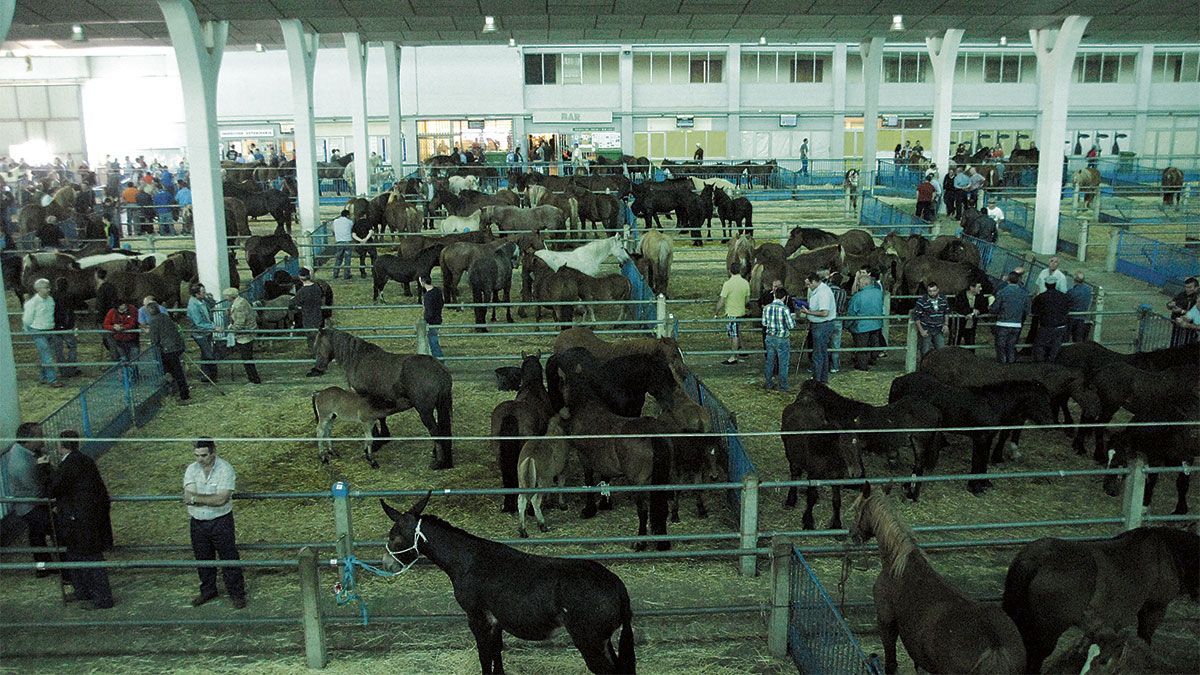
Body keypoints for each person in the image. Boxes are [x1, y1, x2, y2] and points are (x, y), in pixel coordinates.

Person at [37, 430, 115, 610]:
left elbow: (52, 489)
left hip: (78, 521)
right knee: (79, 555)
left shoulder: (69, 464)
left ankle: (101, 598)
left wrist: (44, 468)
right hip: (87, 518)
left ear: (61, 446)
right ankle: (84, 591)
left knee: (88, 558)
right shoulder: (84, 460)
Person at [184, 439, 247, 609]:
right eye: (197, 455)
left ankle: (237, 594)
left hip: (221, 520)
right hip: (197, 521)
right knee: (202, 558)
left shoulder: (225, 469)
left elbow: (221, 499)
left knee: (229, 557)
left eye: (204, 455)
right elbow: (187, 497)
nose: (200, 459)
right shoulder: (191, 469)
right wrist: (205, 499)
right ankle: (208, 590)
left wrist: (196, 499)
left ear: (213, 453)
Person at [2, 423, 55, 572]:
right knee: (55, 527)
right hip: (30, 505)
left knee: (36, 535)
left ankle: (43, 567)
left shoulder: (27, 452)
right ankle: (57, 566)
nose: (43, 439)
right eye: (39, 436)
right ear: (30, 439)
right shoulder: (23, 463)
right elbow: (36, 489)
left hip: (27, 504)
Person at [145, 301, 191, 405]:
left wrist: (154, 347)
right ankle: (182, 393)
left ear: (149, 311)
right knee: (177, 371)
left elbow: (154, 338)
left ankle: (183, 394)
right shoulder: (165, 317)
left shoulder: (153, 321)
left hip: (167, 349)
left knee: (173, 371)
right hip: (176, 346)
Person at [797, 273, 836, 383]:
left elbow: (824, 312)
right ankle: (822, 379)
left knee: (817, 354)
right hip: (819, 325)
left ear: (814, 281)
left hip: (822, 325)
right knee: (822, 352)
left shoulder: (823, 293)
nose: (807, 286)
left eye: (808, 284)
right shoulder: (818, 290)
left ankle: (816, 381)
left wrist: (808, 312)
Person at [23, 278, 61, 387]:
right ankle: (52, 380)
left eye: (49, 287)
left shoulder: (50, 300)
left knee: (45, 354)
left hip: (49, 329)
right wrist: (28, 329)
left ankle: (43, 377)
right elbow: (27, 318)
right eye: (46, 288)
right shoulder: (33, 303)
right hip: (37, 330)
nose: (49, 289)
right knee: (47, 354)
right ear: (38, 289)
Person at [845, 269, 884, 371]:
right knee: (874, 343)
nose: (858, 285)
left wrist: (847, 325)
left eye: (859, 283)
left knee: (862, 347)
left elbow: (851, 313)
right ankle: (872, 360)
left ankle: (862, 366)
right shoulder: (878, 293)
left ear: (865, 283)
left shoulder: (858, 296)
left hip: (862, 326)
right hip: (877, 324)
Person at [990, 270, 1030, 363]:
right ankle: (1011, 364)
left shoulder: (1002, 292)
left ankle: (1002, 364)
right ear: (1019, 280)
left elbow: (994, 309)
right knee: (1011, 346)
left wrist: (990, 307)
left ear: (1008, 280)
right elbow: (1027, 310)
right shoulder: (1024, 293)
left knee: (1000, 346)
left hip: (1003, 323)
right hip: (1016, 324)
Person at [714, 264, 750, 365]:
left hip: (731, 313)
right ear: (740, 271)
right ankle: (744, 350)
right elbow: (747, 300)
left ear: (730, 271)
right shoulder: (745, 283)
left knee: (734, 335)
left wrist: (716, 311)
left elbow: (722, 300)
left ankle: (733, 357)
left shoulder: (728, 284)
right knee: (738, 331)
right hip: (741, 312)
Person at [223, 288, 261, 384]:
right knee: (247, 357)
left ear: (230, 296)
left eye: (226, 296)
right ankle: (253, 378)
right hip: (247, 332)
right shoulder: (241, 301)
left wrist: (228, 330)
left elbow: (240, 323)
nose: (225, 298)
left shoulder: (239, 306)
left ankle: (254, 379)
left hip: (245, 335)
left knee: (247, 357)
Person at [761, 288, 796, 391]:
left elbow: (764, 323)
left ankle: (768, 383)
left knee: (770, 361)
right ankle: (783, 385)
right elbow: (791, 326)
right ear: (784, 297)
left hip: (769, 337)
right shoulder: (785, 309)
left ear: (774, 295)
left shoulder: (767, 308)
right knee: (783, 363)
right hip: (782, 338)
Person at [1031, 278, 1072, 362]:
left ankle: (1041, 363)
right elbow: (1067, 309)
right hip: (1061, 325)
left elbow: (1034, 311)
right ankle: (1052, 363)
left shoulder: (1040, 297)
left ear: (1045, 285)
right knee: (1056, 346)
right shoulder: (1063, 296)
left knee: (1040, 345)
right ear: (1055, 285)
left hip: (1046, 325)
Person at [187, 284, 219, 383]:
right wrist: (214, 327)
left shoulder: (202, 300)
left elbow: (212, 305)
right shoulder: (193, 306)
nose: (204, 294)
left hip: (206, 332)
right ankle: (212, 375)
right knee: (209, 354)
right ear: (197, 294)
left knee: (205, 353)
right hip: (200, 333)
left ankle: (205, 375)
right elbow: (199, 323)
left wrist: (210, 298)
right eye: (203, 292)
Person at [51, 278, 82, 378]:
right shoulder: (70, 295)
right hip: (67, 325)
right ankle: (72, 368)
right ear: (67, 285)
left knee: (58, 349)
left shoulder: (52, 296)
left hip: (55, 326)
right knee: (72, 346)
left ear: (56, 285)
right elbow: (80, 305)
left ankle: (62, 370)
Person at [912, 282, 949, 356]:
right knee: (925, 351)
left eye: (934, 291)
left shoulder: (943, 299)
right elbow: (916, 317)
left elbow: (946, 313)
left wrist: (946, 324)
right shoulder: (922, 301)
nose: (932, 293)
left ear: (938, 290)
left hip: (939, 329)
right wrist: (921, 330)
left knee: (941, 351)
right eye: (930, 291)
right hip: (927, 329)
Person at [948, 281, 989, 346]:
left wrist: (978, 311)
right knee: (955, 343)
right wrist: (971, 311)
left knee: (971, 344)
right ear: (972, 288)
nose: (981, 288)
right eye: (979, 287)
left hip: (971, 325)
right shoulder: (961, 295)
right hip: (959, 325)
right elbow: (958, 307)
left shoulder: (980, 296)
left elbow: (984, 307)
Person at [1167, 277, 1199, 347]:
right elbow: (1170, 304)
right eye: (1186, 287)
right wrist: (1170, 304)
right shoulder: (1182, 295)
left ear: (1196, 288)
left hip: (1190, 329)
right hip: (1177, 325)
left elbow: (1195, 314)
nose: (1187, 289)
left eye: (1190, 287)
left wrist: (1181, 311)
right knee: (1174, 343)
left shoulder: (1197, 298)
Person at [419, 274, 444, 359]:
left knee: (433, 342)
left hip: (431, 322)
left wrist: (425, 321)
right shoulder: (437, 291)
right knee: (434, 341)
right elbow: (442, 303)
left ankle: (439, 360)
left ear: (423, 282)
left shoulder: (428, 296)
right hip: (438, 318)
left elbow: (429, 311)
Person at [1066, 272, 1093, 343]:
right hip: (1082, 317)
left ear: (1074, 280)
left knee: (1066, 337)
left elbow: (1066, 302)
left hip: (1071, 317)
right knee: (1078, 339)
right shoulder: (1088, 290)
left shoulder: (1071, 292)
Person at [331, 209, 354, 280]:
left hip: (339, 242)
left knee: (338, 258)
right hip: (347, 242)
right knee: (347, 259)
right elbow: (351, 230)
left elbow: (333, 230)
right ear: (347, 215)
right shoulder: (350, 222)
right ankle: (346, 275)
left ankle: (335, 274)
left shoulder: (335, 221)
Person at [351, 214, 377, 279]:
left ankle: (363, 273)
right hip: (369, 242)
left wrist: (361, 240)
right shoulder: (368, 222)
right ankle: (374, 272)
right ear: (365, 216)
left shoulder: (356, 224)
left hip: (360, 243)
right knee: (373, 257)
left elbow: (353, 235)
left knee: (362, 258)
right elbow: (371, 232)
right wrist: (366, 239)